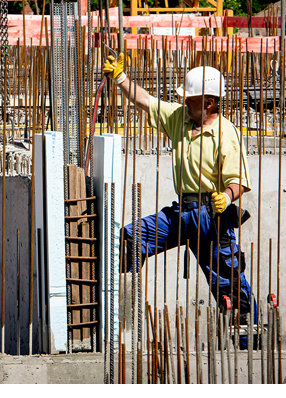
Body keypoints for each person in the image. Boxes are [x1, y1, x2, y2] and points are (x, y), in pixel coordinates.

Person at [103, 53, 256, 325]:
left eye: (191, 99)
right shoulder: (180, 119)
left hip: (210, 217)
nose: (184, 101)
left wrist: (226, 196)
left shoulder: (225, 133)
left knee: (228, 283)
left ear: (208, 102)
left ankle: (248, 334)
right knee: (130, 239)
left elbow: (239, 180)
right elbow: (146, 101)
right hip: (181, 213)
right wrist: (120, 78)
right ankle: (113, 307)